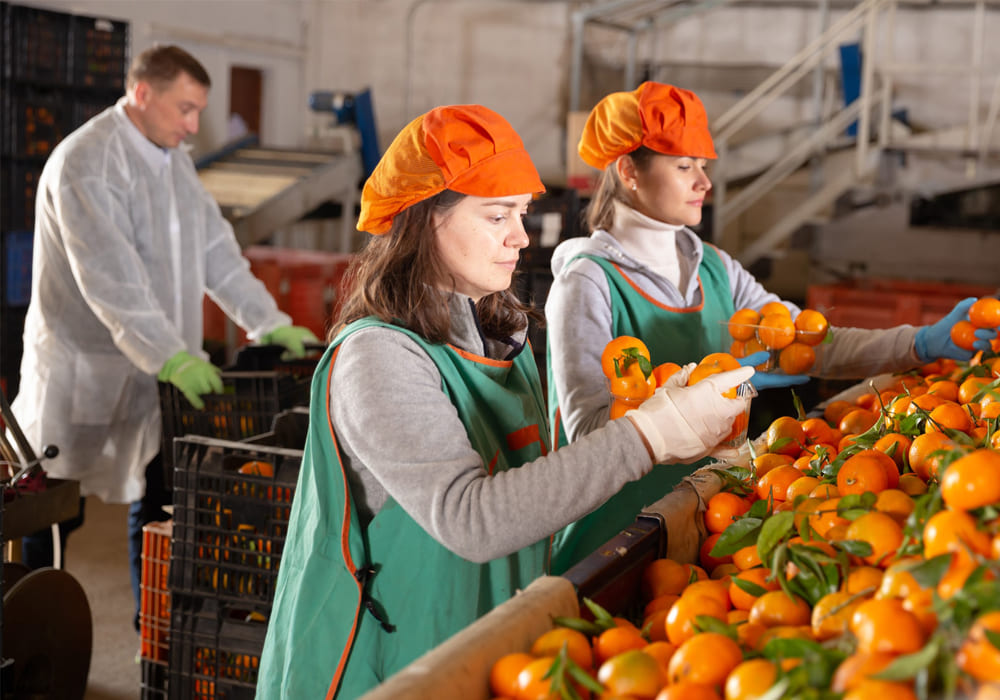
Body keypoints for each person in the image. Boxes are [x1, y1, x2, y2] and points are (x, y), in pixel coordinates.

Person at [255, 103, 754, 698]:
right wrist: (645, 436)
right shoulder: (380, 357)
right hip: (393, 658)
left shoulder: (503, 339)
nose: (520, 236)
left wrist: (662, 429)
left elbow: (542, 491)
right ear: (423, 220)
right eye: (497, 216)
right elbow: (472, 519)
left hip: (488, 640)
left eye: (521, 213)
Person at [545, 80, 985, 574]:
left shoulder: (715, 268)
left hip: (706, 516)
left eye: (704, 167)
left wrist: (919, 342)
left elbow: (811, 344)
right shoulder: (587, 281)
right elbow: (584, 431)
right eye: (685, 166)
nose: (704, 184)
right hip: (614, 536)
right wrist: (702, 391)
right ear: (628, 170)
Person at [10, 45, 318, 630]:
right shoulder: (87, 161)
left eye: (199, 111)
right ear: (142, 93)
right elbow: (110, 277)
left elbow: (215, 253)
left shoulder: (172, 159)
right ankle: (30, 631)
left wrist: (266, 319)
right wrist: (169, 355)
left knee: (157, 498)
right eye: (185, 108)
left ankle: (151, 630)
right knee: (52, 509)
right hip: (86, 369)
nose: (193, 125)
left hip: (156, 366)